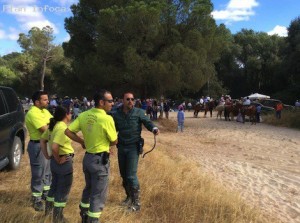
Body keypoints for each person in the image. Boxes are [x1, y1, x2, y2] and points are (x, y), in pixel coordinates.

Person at [65, 90, 117, 223]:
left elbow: (68, 131)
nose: (113, 103)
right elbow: (114, 140)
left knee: (88, 188)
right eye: (110, 101)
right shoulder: (107, 118)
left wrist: (82, 141)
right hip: (100, 161)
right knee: (98, 195)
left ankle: (84, 215)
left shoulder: (83, 115)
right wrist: (109, 143)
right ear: (101, 102)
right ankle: (93, 220)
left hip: (87, 159)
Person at [111, 92, 159, 212]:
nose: (130, 101)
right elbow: (111, 128)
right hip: (121, 147)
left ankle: (136, 204)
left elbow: (148, 122)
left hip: (133, 147)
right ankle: (129, 197)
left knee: (131, 175)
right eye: (128, 99)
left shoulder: (139, 112)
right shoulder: (116, 114)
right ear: (123, 100)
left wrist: (153, 128)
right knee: (123, 175)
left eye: (132, 99)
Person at [40, 106, 76, 222]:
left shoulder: (53, 126)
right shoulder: (62, 128)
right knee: (63, 190)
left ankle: (49, 212)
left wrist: (47, 155)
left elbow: (42, 139)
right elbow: (55, 146)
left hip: (54, 163)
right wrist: (59, 159)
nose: (71, 114)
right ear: (66, 114)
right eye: (70, 112)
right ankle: (58, 217)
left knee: (54, 187)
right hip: (63, 162)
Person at [25, 90, 53, 211]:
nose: (48, 101)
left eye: (47, 99)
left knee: (48, 172)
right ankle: (36, 199)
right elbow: (45, 130)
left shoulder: (45, 111)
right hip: (38, 146)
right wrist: (50, 126)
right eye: (45, 99)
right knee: (38, 173)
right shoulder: (32, 113)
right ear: (37, 101)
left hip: (47, 145)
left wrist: (50, 126)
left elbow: (54, 124)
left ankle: (45, 194)